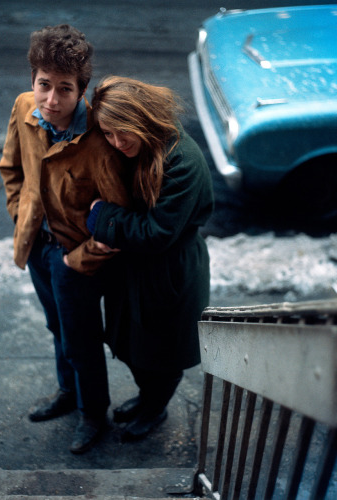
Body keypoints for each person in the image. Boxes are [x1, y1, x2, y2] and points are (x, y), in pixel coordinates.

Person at [0, 26, 129, 454]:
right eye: (44, 86)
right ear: (32, 81)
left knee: (81, 337)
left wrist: (78, 259)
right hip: (37, 245)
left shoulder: (98, 140)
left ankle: (94, 413)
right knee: (56, 325)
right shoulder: (23, 109)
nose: (51, 100)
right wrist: (22, 216)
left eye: (65, 90)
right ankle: (68, 393)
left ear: (83, 91)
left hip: (75, 259)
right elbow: (11, 169)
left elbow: (116, 220)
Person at [87, 76, 214, 441]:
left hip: (169, 272)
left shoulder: (182, 162)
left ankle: (155, 408)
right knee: (131, 346)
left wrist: (100, 217)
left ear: (140, 118)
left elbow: (156, 233)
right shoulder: (140, 146)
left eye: (121, 132)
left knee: (161, 353)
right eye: (108, 135)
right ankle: (147, 398)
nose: (116, 143)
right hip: (136, 270)